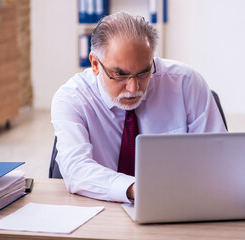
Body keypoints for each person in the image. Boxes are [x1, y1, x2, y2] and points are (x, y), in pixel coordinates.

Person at [51, 12, 226, 203]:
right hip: (100, 208)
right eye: (120, 74)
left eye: (144, 72)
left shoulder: (185, 83)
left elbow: (218, 158)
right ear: (94, 64)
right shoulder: (72, 99)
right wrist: (137, 189)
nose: (133, 88)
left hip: (178, 204)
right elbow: (76, 169)